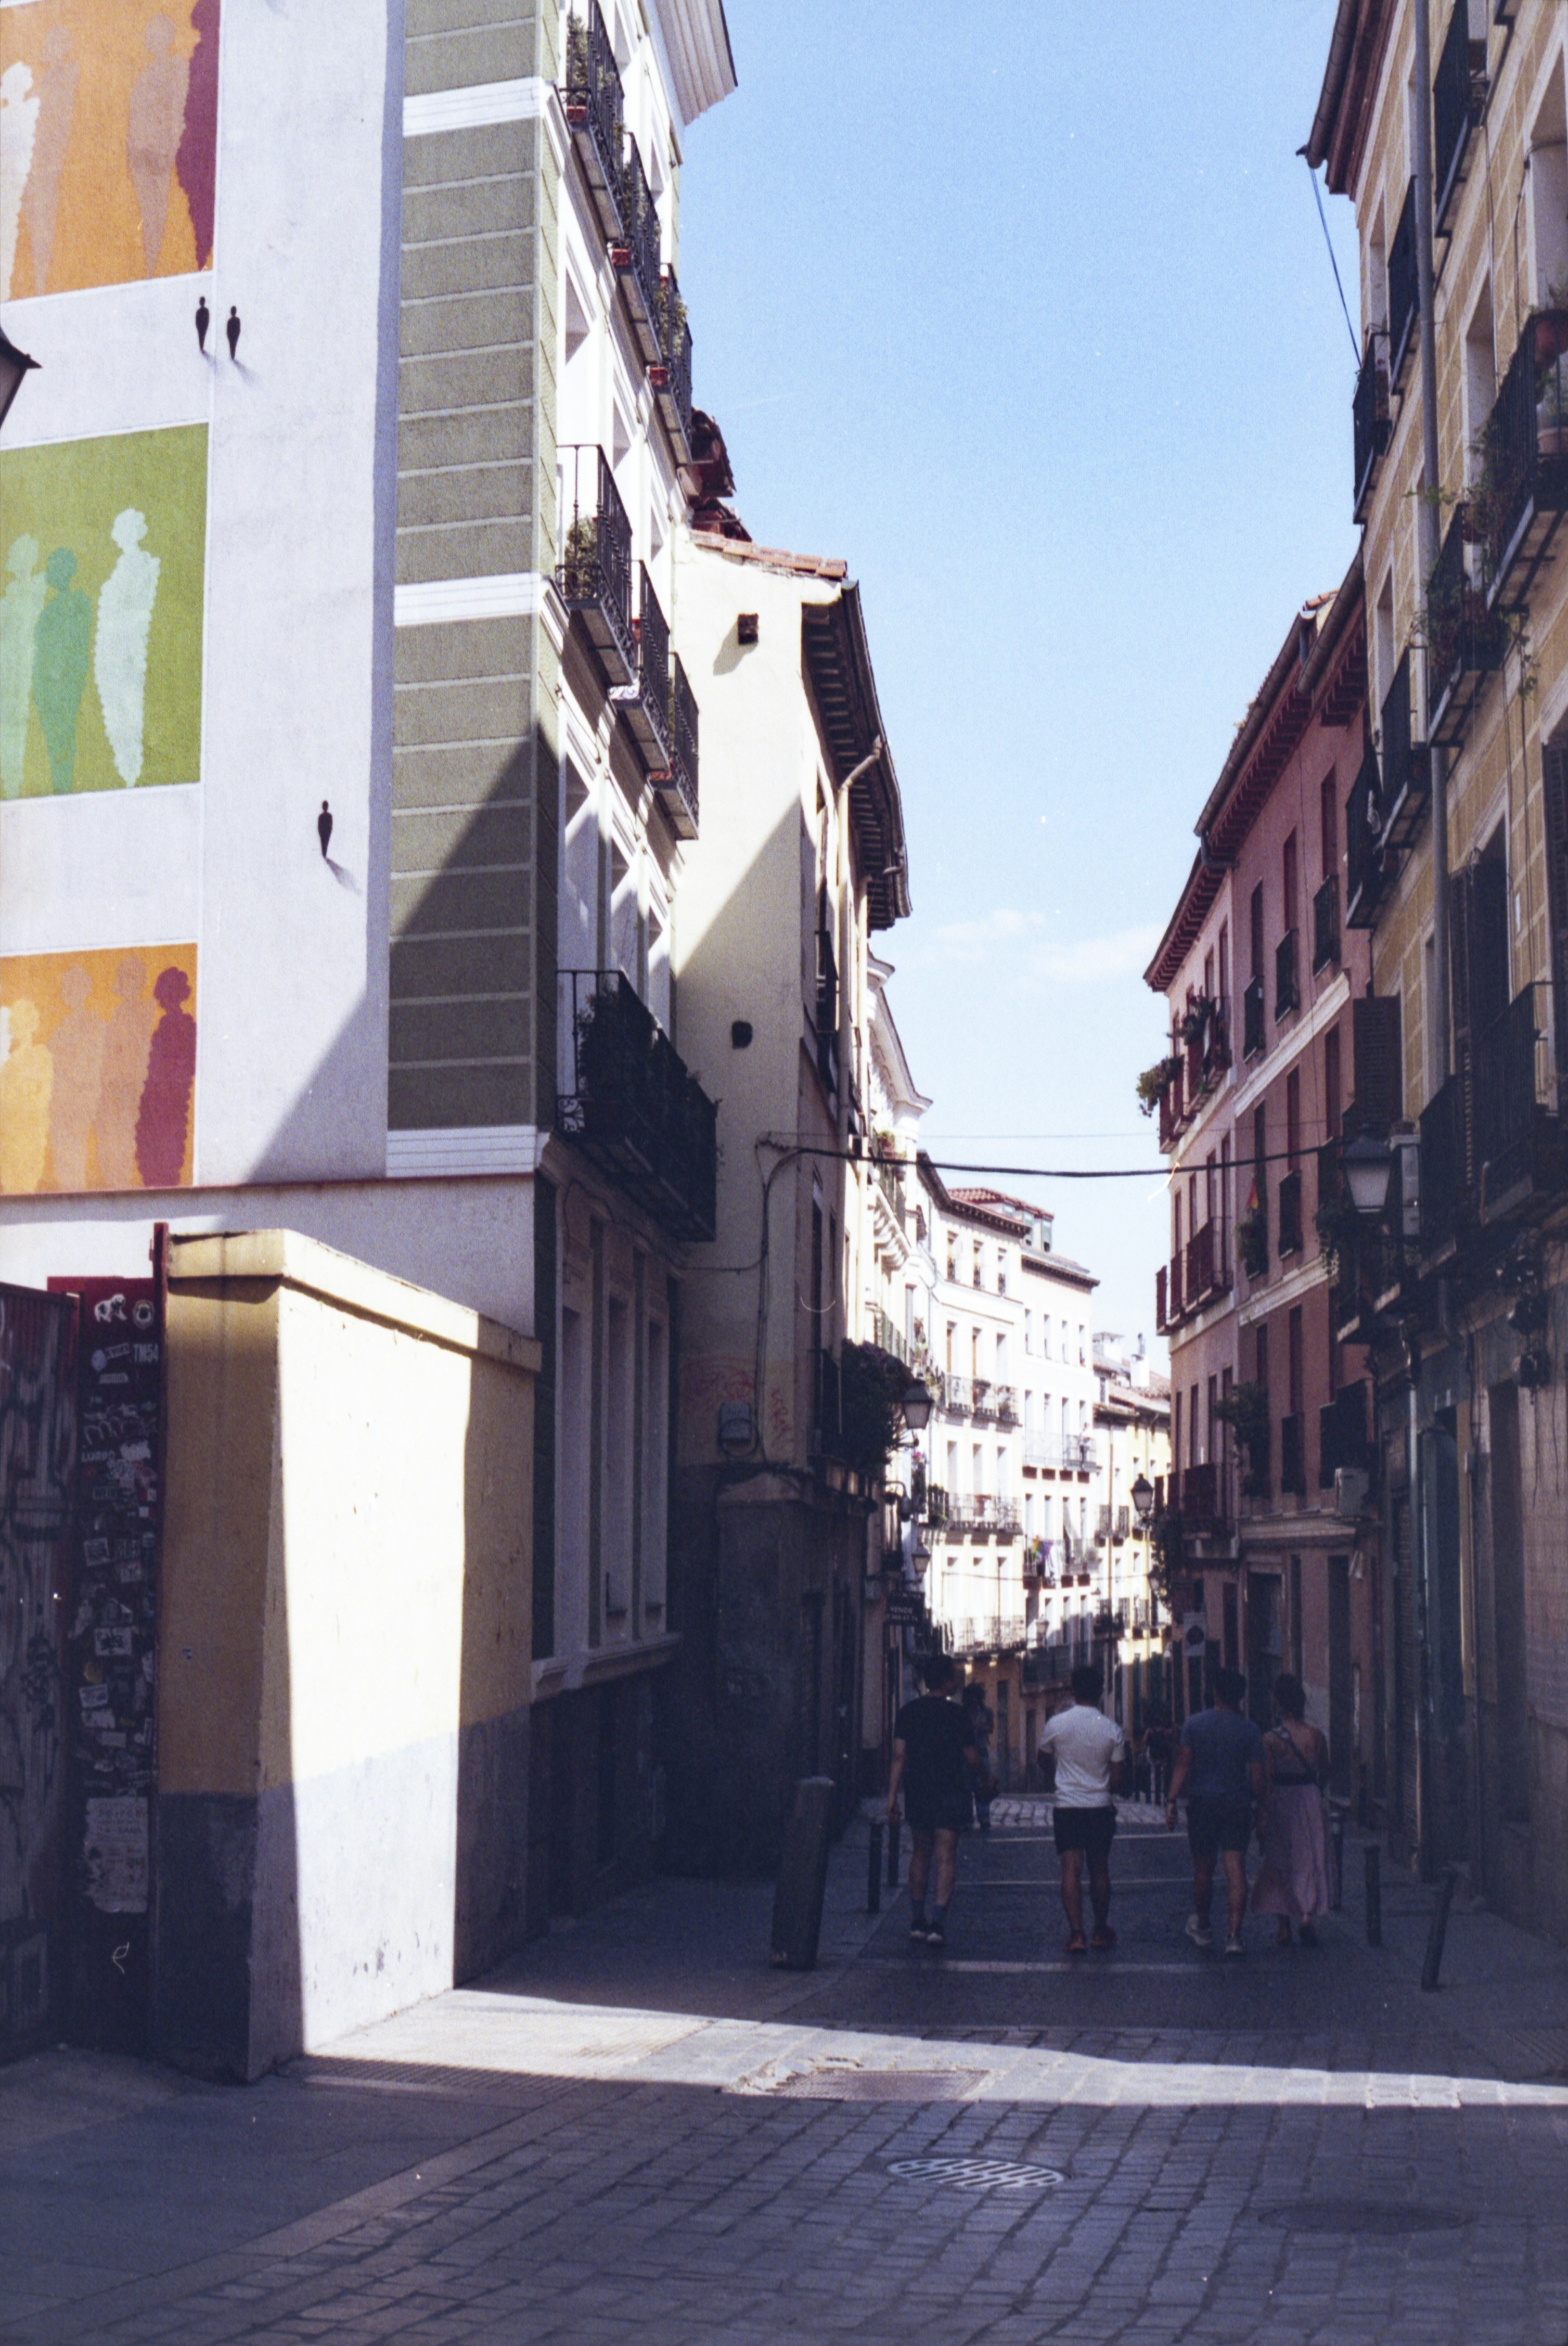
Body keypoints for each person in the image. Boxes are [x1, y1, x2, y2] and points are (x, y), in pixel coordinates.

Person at [1165, 1665, 1265, 1956]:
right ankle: (1234, 1936)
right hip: (1237, 1805)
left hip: (1203, 1804)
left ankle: (1204, 1926)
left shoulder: (1194, 1725)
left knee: (1203, 1870)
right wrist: (1261, 1809)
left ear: (1216, 1693)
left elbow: (1183, 1766)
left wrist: (1171, 1801)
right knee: (1236, 1870)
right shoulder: (1250, 1729)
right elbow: (1258, 1778)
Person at [887, 1650, 980, 1949]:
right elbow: (972, 1757)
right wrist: (984, 1780)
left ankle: (917, 1920)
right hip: (951, 1791)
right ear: (948, 1681)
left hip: (919, 1791)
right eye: (954, 1676)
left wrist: (892, 1798)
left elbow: (899, 1756)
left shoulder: (908, 1712)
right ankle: (938, 1923)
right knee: (946, 1856)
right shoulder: (958, 1715)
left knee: (920, 1854)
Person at [1036, 1663, 1127, 1954]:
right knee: (1100, 1868)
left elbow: (1043, 1758)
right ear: (1101, 1691)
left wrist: (1059, 1776)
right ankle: (1101, 1928)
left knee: (1070, 1869)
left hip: (1068, 1807)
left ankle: (1076, 1934)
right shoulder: (1112, 1730)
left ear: (1073, 1691)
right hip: (1100, 1806)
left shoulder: (1056, 1725)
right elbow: (1118, 1778)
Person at [1251, 1672, 1332, 1946]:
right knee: (1310, 1858)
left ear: (1278, 1703)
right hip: (1309, 1797)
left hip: (1281, 1799)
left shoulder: (1270, 1740)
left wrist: (1261, 1814)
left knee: (1281, 1859)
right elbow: (1325, 1771)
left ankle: (1283, 1926)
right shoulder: (1316, 1736)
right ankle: (1307, 1915)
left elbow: (1266, 1778)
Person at [961, 1680, 996, 1830]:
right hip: (966, 1752)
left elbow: (991, 1728)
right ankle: (967, 1818)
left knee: (983, 1784)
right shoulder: (962, 1712)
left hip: (981, 1750)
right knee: (966, 1787)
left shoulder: (987, 1711)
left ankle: (984, 1817)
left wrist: (979, 1727)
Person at [1136, 1704, 1175, 1808]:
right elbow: (1168, 1742)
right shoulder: (1164, 1731)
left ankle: (1156, 1799)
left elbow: (1145, 1741)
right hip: (1163, 1755)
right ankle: (1165, 1798)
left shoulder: (1150, 1730)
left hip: (1153, 1756)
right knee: (1165, 1778)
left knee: (1155, 1777)